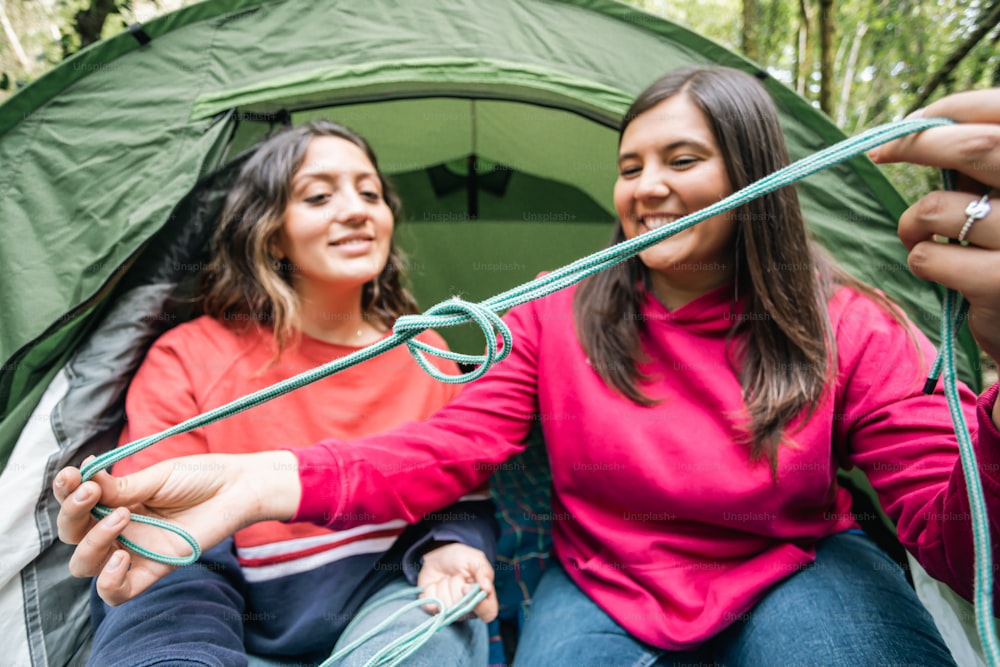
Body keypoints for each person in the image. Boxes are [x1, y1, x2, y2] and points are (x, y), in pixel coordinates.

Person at [54, 71, 1000, 665]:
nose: (648, 189)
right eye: (630, 167)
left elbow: (962, 546)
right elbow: (447, 449)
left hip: (798, 566)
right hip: (604, 580)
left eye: (683, 159)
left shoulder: (847, 322)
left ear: (755, 173)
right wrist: (266, 476)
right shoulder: (558, 308)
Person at [70, 120, 498, 667]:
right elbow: (165, 550)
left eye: (370, 193)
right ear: (271, 233)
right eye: (319, 196)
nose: (356, 210)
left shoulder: (426, 351)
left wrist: (452, 547)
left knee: (429, 638)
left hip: (390, 599)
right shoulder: (190, 358)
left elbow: (460, 496)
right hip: (236, 631)